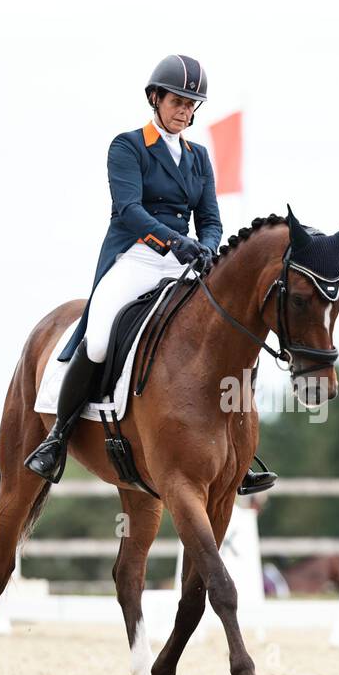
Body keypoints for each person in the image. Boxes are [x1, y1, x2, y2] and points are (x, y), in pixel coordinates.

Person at [25, 55, 276, 495]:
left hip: (186, 262)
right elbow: (130, 209)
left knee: (226, 334)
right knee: (101, 335)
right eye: (178, 101)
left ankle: (236, 452)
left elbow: (210, 216)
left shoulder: (198, 157)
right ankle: (58, 436)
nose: (185, 111)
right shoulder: (128, 146)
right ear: (155, 98)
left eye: (192, 104)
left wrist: (208, 246)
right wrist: (174, 241)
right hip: (135, 257)